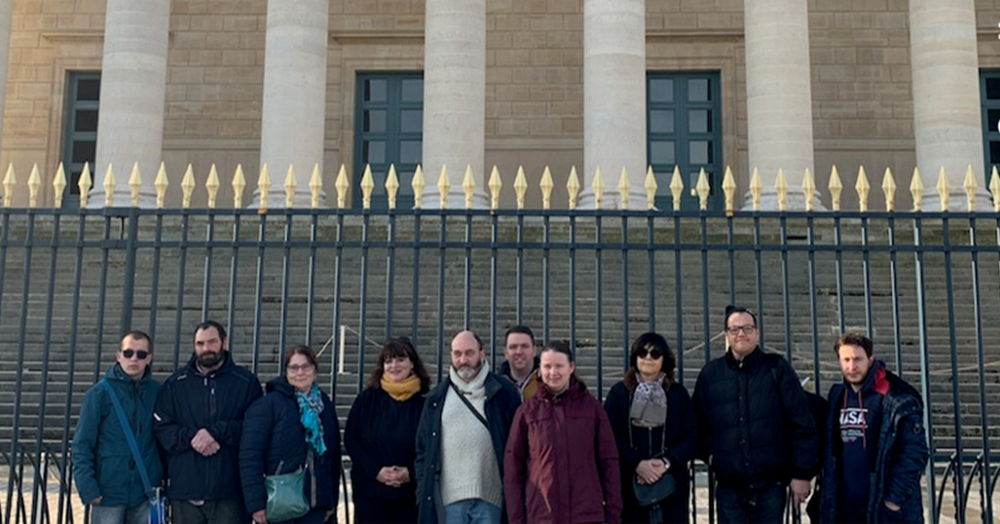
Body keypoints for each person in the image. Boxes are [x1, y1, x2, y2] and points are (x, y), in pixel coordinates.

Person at [692, 306, 819, 524]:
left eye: (747, 328)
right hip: (729, 484)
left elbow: (802, 423)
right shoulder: (710, 375)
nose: (741, 333)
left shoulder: (777, 368)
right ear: (726, 335)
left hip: (770, 483)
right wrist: (712, 455)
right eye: (735, 329)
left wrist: (801, 473)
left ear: (757, 333)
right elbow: (697, 424)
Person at [154, 320, 263, 524]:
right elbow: (162, 429)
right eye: (200, 343)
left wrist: (216, 432)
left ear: (224, 342)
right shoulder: (174, 384)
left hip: (229, 491)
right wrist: (193, 437)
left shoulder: (246, 382)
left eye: (212, 342)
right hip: (185, 490)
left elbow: (254, 429)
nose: (206, 349)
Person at [504, 340, 623, 524]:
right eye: (547, 366)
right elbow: (513, 469)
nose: (553, 372)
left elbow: (609, 462)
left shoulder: (592, 409)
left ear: (571, 367)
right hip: (542, 516)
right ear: (539, 370)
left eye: (559, 366)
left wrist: (613, 515)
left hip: (586, 516)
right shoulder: (526, 413)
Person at [818, 333, 928, 524]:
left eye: (858, 359)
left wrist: (893, 500)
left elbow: (914, 453)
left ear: (871, 359)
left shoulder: (897, 399)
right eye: (846, 360)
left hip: (883, 504)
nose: (852, 366)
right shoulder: (837, 396)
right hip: (845, 504)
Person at [415, 330, 521, 524]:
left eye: (469, 353)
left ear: (482, 353)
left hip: (492, 500)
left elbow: (518, 445)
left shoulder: (504, 393)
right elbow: (423, 450)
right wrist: (423, 492)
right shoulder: (436, 398)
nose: (463, 359)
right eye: (457, 353)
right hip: (449, 501)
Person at [240, 345, 341, 524]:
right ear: (286, 372)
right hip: (280, 500)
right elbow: (250, 455)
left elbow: (333, 457)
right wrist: (256, 504)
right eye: (294, 367)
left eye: (306, 366)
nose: (300, 372)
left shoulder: (325, 405)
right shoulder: (268, 405)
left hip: (317, 503)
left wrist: (330, 501)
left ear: (315, 371)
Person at [604, 332, 699, 524]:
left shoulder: (677, 394)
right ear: (635, 357)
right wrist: (638, 464)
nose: (648, 358)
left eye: (655, 354)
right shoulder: (619, 393)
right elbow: (609, 436)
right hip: (630, 484)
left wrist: (665, 463)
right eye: (642, 353)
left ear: (664, 359)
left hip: (671, 484)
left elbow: (692, 435)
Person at [73, 331, 162, 524]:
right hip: (108, 492)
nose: (134, 359)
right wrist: (87, 487)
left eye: (141, 354)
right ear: (118, 356)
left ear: (149, 358)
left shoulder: (158, 392)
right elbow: (82, 443)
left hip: (145, 489)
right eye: (128, 353)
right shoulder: (98, 394)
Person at [345, 337, 431, 523]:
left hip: (411, 497)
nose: (394, 365)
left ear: (412, 364)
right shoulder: (367, 399)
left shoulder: (426, 402)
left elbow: (433, 444)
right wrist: (377, 472)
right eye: (388, 361)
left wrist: (411, 473)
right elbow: (352, 440)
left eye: (400, 359)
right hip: (371, 495)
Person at [498, 325, 540, 400]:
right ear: (505, 352)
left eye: (524, 346)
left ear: (534, 350)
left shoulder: (548, 383)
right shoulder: (496, 385)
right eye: (513, 347)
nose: (519, 352)